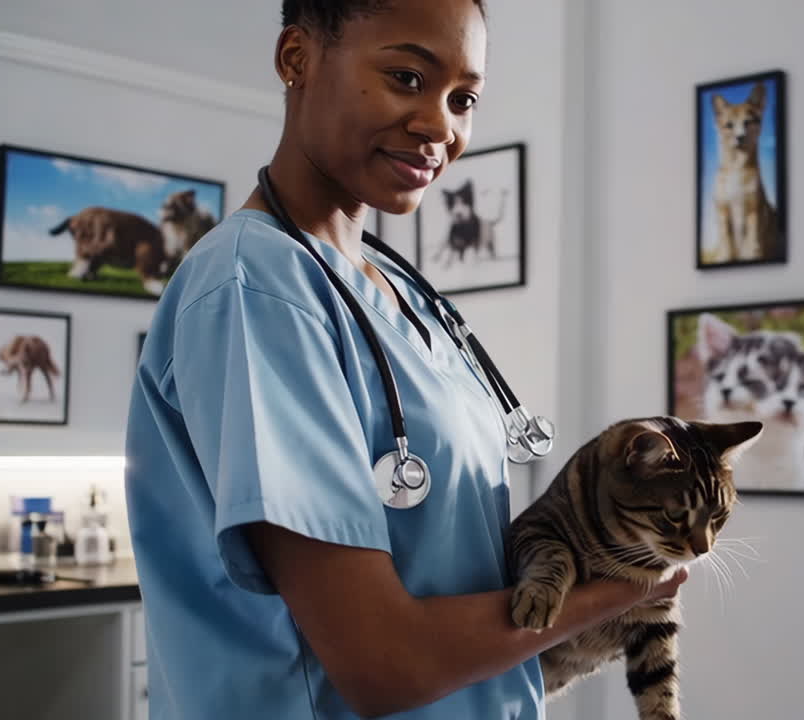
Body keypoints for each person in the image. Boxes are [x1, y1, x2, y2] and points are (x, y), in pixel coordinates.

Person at [123, 1, 688, 718]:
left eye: (464, 98)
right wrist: (626, 589)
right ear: (295, 58)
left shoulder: (396, 288)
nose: (440, 126)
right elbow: (383, 664)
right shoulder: (256, 288)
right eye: (406, 76)